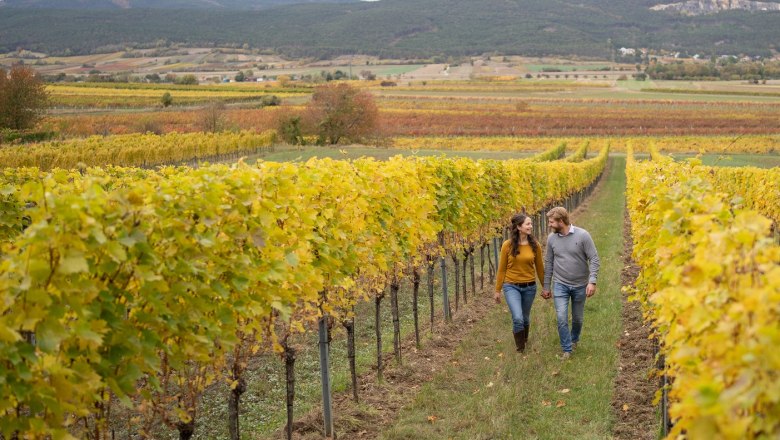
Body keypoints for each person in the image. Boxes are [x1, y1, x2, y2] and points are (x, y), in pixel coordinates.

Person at [542, 206, 600, 360]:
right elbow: (548, 263)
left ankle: (574, 339)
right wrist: (546, 286)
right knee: (561, 317)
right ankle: (566, 349)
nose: (549, 224)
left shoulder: (583, 236)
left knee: (577, 318)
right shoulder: (551, 239)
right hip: (560, 284)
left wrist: (592, 281)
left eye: (551, 222)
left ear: (561, 221)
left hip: (580, 284)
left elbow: (594, 258)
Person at [495, 213, 545, 353]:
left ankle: (524, 339)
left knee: (525, 318)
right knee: (517, 317)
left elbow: (540, 268)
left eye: (530, 223)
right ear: (519, 227)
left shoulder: (535, 245)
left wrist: (545, 287)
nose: (531, 226)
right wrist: (497, 290)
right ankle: (520, 349)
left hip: (529, 287)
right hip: (511, 286)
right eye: (528, 224)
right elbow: (502, 269)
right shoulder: (507, 245)